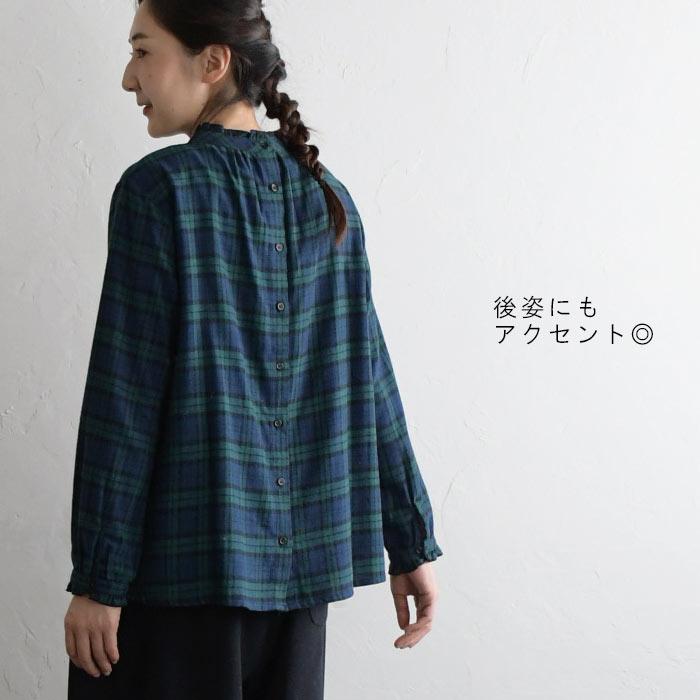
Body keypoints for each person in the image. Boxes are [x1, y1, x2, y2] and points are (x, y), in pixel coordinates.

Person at [63, 1, 444, 697]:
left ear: (213, 62)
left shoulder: (158, 191)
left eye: (143, 51)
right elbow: (372, 381)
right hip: (301, 589)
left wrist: (97, 579)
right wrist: (410, 541)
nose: (127, 77)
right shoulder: (329, 196)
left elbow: (126, 400)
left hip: (178, 582)